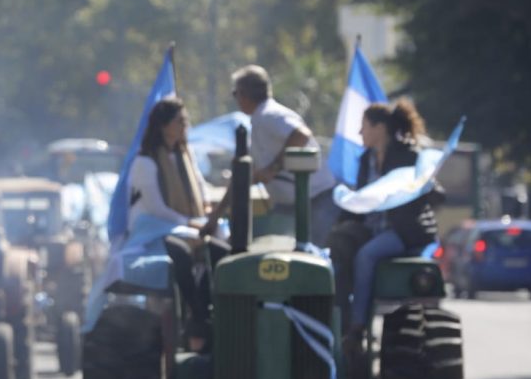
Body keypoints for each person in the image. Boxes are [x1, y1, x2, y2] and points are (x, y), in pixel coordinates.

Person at [128, 96, 230, 346]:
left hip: (188, 226)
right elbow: (156, 208)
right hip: (154, 230)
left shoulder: (186, 156)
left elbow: (201, 189)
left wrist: (207, 212)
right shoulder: (145, 162)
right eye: (180, 121)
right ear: (164, 126)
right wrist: (190, 222)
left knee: (222, 252)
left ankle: (209, 310)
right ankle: (197, 314)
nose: (186, 126)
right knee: (181, 254)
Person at [341, 100, 440, 343]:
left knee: (366, 256)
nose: (360, 132)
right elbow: (361, 199)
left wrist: (421, 187)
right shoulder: (366, 159)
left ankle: (357, 325)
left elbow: (436, 194)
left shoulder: (409, 156)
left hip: (403, 231)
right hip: (371, 228)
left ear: (379, 128)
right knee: (338, 248)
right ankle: (339, 316)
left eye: (364, 126)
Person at [231, 65, 337, 246]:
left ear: (244, 94)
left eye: (235, 93)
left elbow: (301, 135)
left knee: (314, 255)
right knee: (274, 249)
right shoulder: (259, 121)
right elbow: (246, 175)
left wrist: (273, 168)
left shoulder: (270, 115)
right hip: (289, 206)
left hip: (316, 202)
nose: (235, 99)